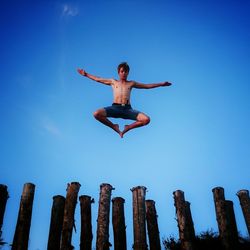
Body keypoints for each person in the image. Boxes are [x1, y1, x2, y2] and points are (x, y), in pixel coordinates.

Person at [77, 62, 172, 138]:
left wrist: (161, 84)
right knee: (96, 114)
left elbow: (146, 86)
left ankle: (128, 127)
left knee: (146, 119)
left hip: (127, 110)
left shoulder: (131, 83)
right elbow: (98, 79)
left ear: (128, 73)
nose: (124, 73)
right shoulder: (113, 82)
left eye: (126, 72)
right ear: (118, 72)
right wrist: (86, 74)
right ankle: (114, 126)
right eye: (122, 71)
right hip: (115, 108)